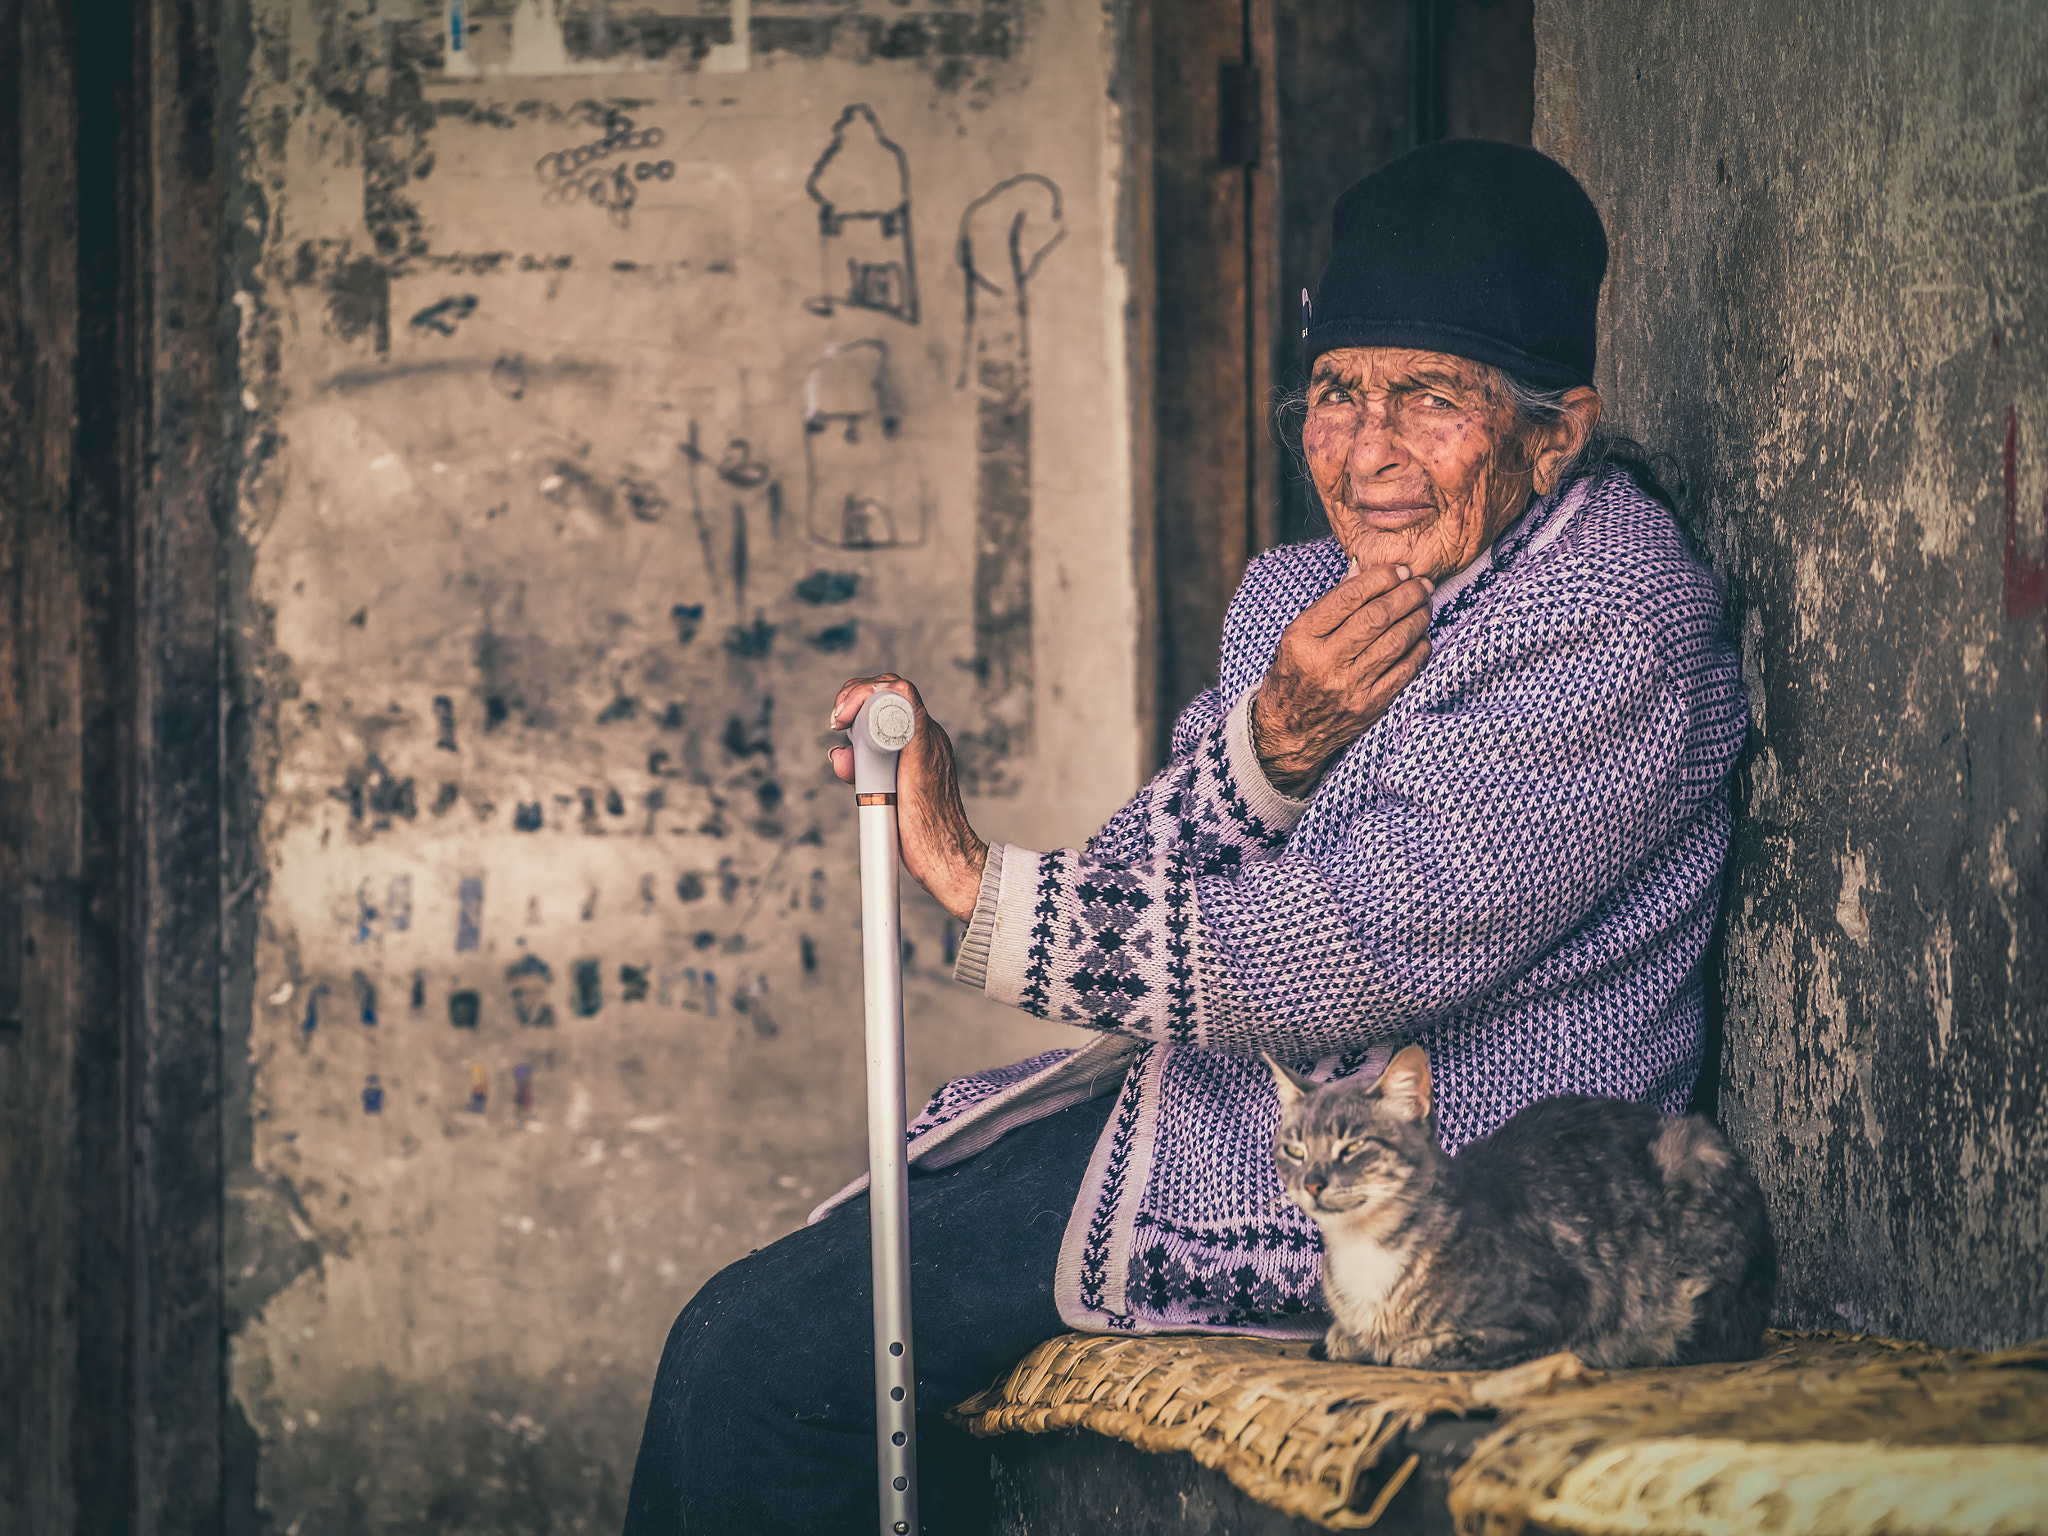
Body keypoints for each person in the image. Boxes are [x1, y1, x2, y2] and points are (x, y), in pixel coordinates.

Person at [622, 138, 1745, 1534]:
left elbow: (1341, 958)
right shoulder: (1302, 597)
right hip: (1203, 1114)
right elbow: (1144, 867)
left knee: (763, 1370)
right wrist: (1272, 746)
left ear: (1553, 433)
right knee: (767, 1324)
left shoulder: (1609, 628)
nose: (1369, 452)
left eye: (1429, 402)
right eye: (1337, 395)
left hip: (1446, 1206)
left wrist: (973, 877)